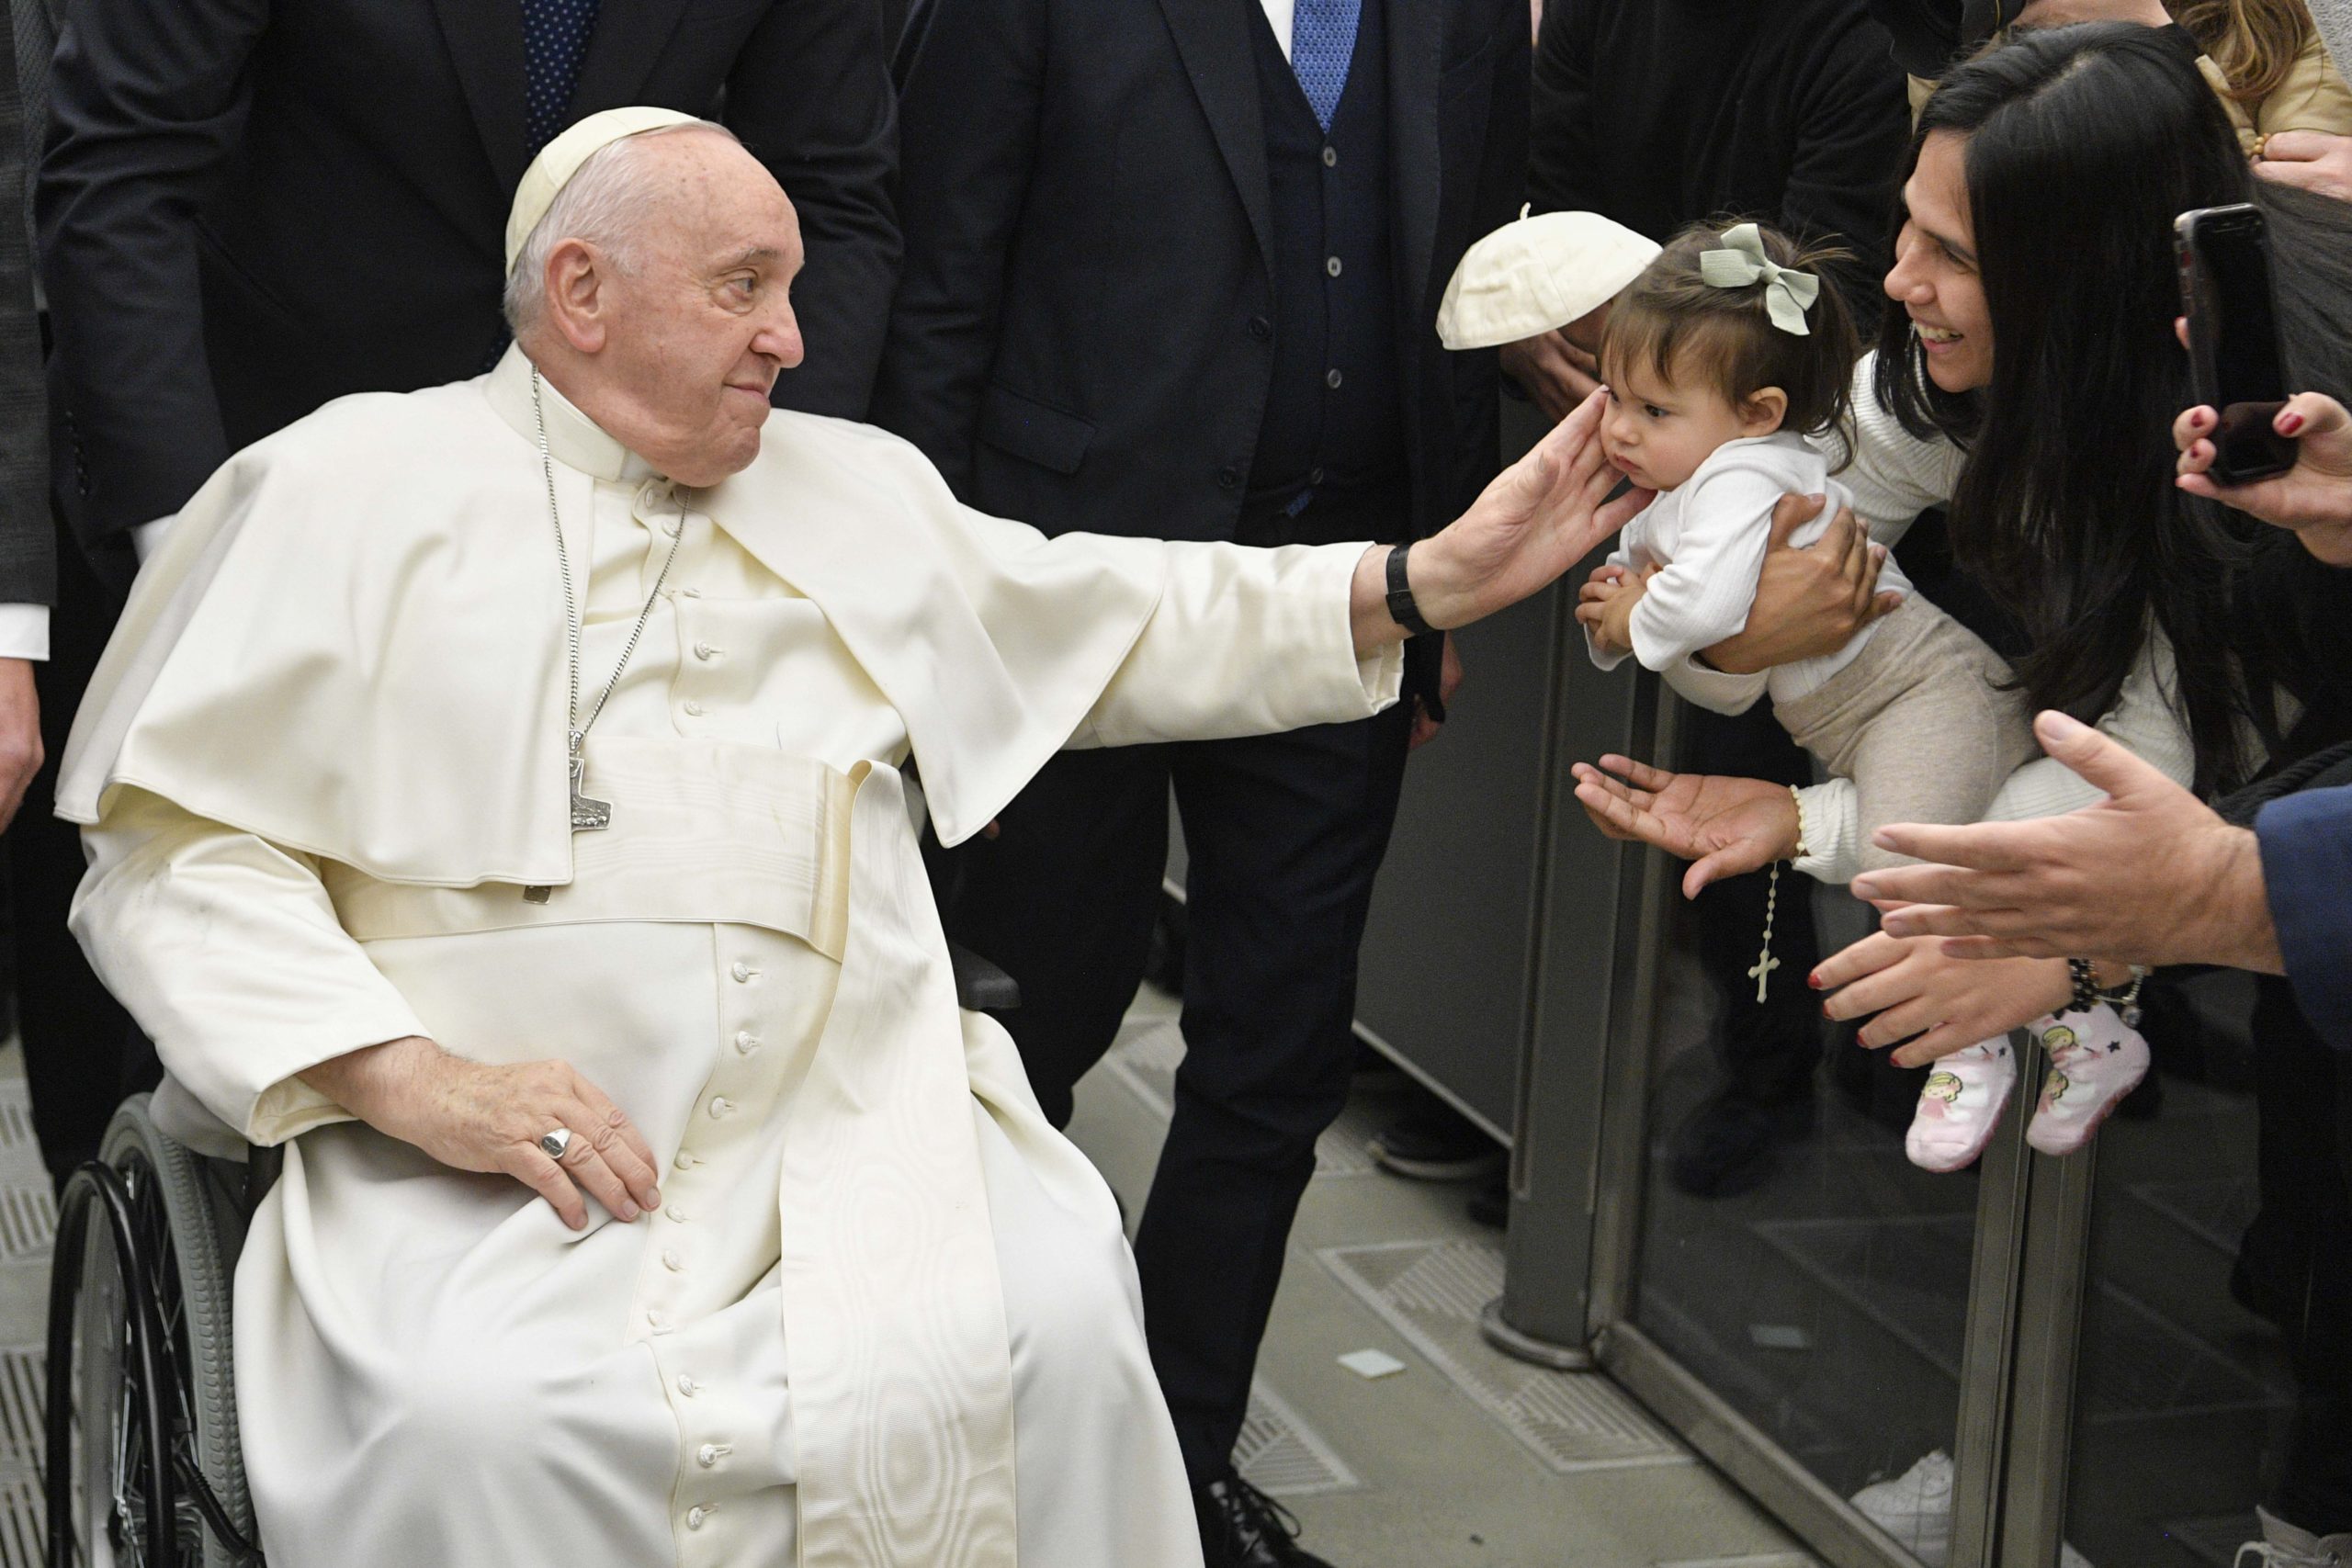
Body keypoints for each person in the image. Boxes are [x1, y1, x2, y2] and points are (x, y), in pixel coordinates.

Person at [59, 111, 1641, 1568]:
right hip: (480, 1165)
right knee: (474, 1411)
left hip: (849, 1112)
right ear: (583, 291)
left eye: (791, 287)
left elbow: (1123, 613)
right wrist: (415, 1081)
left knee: (1054, 1317)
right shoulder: (336, 486)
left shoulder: (855, 487)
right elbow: (173, 858)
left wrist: (1419, 580)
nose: (793, 337)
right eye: (743, 286)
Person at [1572, 28, 2352, 1561]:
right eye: (1906, 228)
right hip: (2210, 804)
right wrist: (1738, 631)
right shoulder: (1950, 380)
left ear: (2080, 276)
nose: (1901, 280)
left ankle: (2298, 1515)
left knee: (2326, 1186)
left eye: (1952, 254)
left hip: (2302, 804)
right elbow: (1813, 524)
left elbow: (2196, 763)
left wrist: (2073, 935)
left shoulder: (2272, 442)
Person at [18, 0, 901, 1190]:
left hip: (632, 497)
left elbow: (834, 196)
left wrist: (760, 500)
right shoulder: (267, 524)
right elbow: (124, 173)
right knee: (214, 970)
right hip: (267, 448)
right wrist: (206, 557)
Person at [872, 2, 1524, 1558]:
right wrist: (923, 607)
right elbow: (943, 273)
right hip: (1066, 590)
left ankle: (1170, 1465)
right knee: (1032, 1014)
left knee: (1278, 1048)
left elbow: (1460, 273)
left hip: (1348, 592)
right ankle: (959, 1439)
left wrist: (1436, 593)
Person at [1569, 219, 2143, 1168]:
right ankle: (2090, 1031)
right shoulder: (1694, 480)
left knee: (1901, 878)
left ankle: (1967, 1048)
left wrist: (1634, 619)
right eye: (1614, 396)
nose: (1619, 429)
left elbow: (1692, 606)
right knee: (1959, 869)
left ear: (1758, 411)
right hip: (1878, 719)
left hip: (1922, 699)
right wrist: (1621, 613)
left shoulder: (1744, 476)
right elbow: (1673, 618)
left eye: (1654, 410)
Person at [1518, 0, 1913, 1199]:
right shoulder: (1596, 15)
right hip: (1611, 421)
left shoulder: (1843, 48)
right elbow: (1547, 206)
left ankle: (1801, 1063)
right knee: (1636, 787)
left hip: (1776, 458)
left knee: (1757, 780)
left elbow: (1837, 307)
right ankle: (1564, 1116)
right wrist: (1567, 356)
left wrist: (1704, 420)